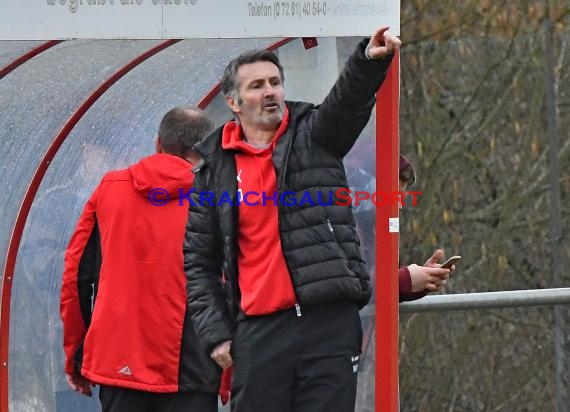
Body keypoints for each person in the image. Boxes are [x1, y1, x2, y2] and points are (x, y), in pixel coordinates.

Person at [184, 27, 400, 412]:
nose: (269, 92)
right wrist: (216, 334)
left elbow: (347, 102)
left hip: (328, 323)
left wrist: (368, 60)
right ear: (233, 102)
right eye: (256, 86)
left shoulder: (314, 134)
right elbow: (198, 264)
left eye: (275, 82)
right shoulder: (212, 172)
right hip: (260, 332)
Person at [60, 107, 221, 412]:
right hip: (193, 365)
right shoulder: (215, 199)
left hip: (118, 363)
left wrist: (76, 356)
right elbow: (232, 282)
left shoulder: (109, 189)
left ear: (158, 142)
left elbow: (75, 277)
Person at [398, 154, 451, 302]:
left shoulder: (371, 231)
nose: (400, 206)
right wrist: (407, 279)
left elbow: (384, 290)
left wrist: (423, 280)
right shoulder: (354, 227)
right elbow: (355, 283)